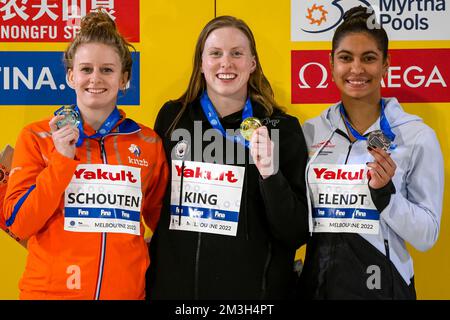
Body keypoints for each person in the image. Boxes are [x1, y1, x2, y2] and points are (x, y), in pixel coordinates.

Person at [2, 11, 168, 300]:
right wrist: (62, 161)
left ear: (124, 78)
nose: (95, 79)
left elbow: (164, 224)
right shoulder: (37, 136)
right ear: (70, 75)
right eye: (86, 69)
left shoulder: (147, 142)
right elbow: (20, 223)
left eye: (107, 70)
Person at [146, 15, 309, 299]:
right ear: (201, 64)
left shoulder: (281, 128)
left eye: (237, 53)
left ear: (252, 63)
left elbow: (295, 232)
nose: (226, 63)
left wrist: (271, 175)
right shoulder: (174, 118)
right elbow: (155, 202)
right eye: (215, 53)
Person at [298, 6, 444, 299]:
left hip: (384, 287)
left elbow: (427, 235)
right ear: (331, 63)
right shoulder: (310, 132)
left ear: (386, 64)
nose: (356, 69)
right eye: (345, 58)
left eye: (369, 58)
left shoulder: (417, 136)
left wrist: (386, 196)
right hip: (318, 286)